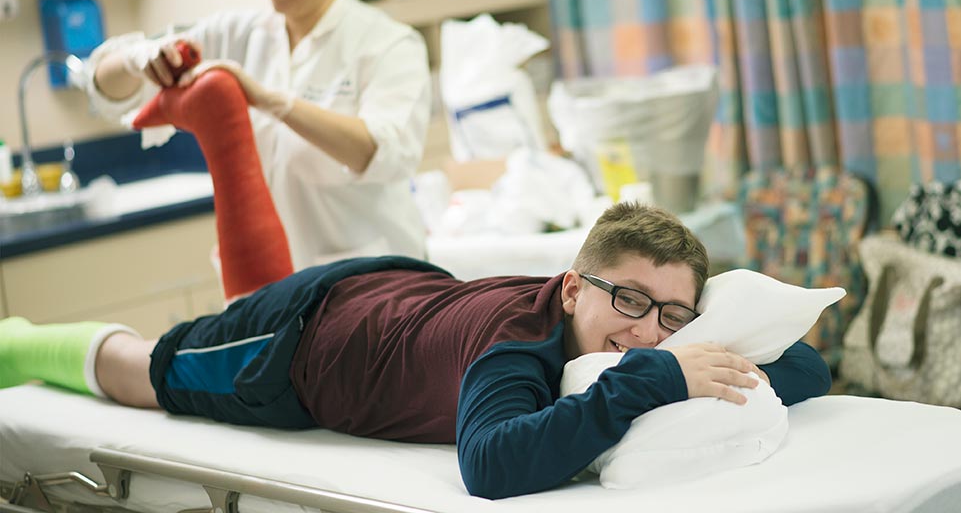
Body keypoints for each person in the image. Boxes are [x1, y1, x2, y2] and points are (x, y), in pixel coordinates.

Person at [0, 202, 831, 500]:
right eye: (628, 300)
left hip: (408, 295)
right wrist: (653, 378)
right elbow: (490, 465)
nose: (647, 331)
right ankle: (23, 344)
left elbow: (809, 368)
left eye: (673, 316)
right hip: (302, 342)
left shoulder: (650, 337)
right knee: (147, 374)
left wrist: (702, 353)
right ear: (573, 288)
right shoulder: (518, 351)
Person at [84, 0, 432, 270]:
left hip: (374, 285)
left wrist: (273, 102)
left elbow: (382, 150)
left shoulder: (386, 43)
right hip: (270, 285)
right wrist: (139, 57)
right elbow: (101, 86)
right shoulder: (238, 34)